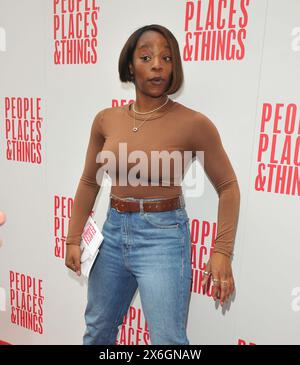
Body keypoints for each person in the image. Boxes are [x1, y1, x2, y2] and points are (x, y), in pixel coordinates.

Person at [65, 24, 240, 345]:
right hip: (112, 235)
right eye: (146, 57)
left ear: (174, 67)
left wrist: (222, 251)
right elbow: (90, 181)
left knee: (168, 340)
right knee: (97, 331)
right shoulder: (106, 119)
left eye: (167, 57)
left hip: (164, 238)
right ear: (130, 66)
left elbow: (228, 186)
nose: (158, 64)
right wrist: (73, 237)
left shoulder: (194, 123)